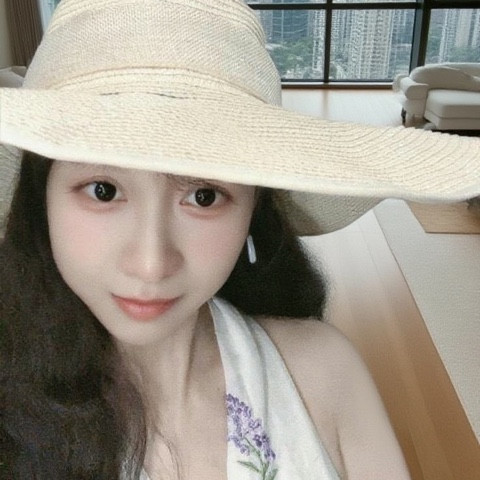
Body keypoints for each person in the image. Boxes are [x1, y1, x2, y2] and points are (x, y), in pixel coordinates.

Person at [0, 0, 478, 479]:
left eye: (204, 196)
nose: (151, 263)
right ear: (40, 200)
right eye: (103, 191)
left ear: (253, 210)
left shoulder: (325, 373)